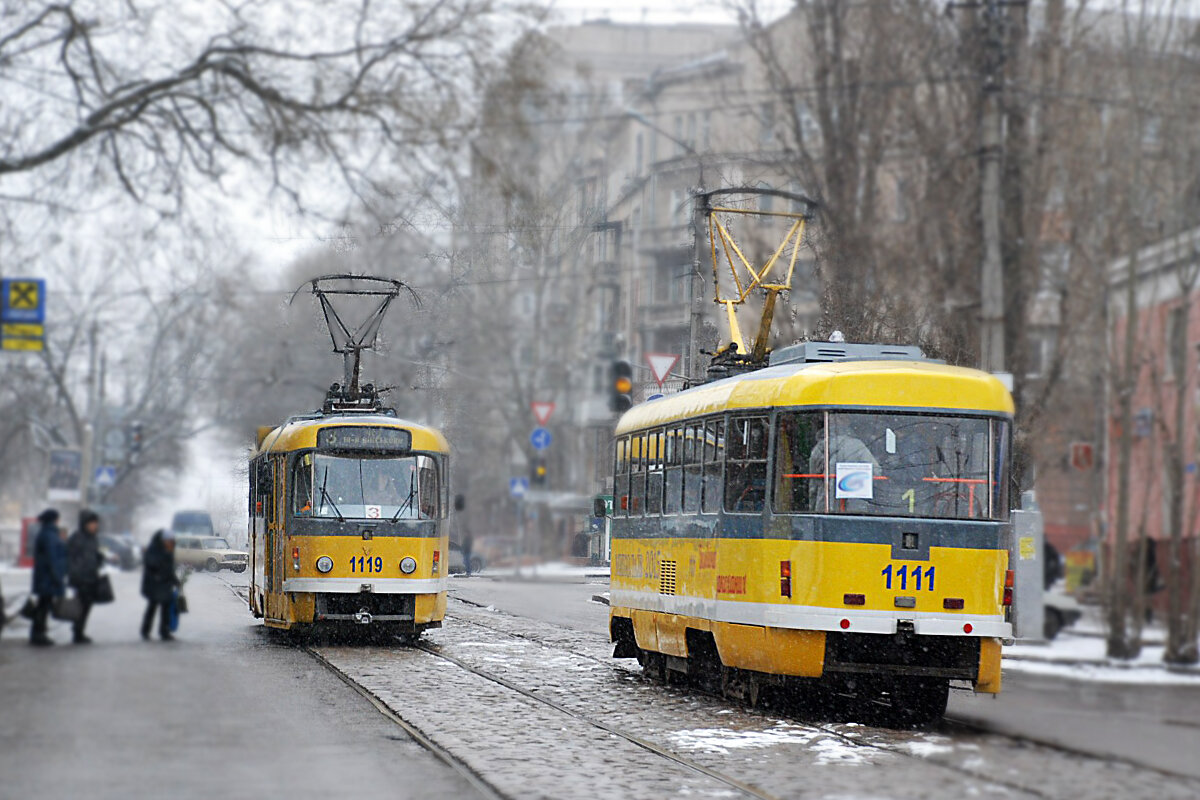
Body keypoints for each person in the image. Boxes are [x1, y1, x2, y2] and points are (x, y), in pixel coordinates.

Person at [30, 508, 67, 646]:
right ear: (54, 520)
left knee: (43, 605)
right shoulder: (50, 535)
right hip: (48, 578)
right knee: (43, 606)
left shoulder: (46, 533)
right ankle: (38, 634)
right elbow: (52, 559)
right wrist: (57, 578)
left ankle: (38, 633)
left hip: (44, 576)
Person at [67, 509, 104, 644]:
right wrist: (75, 573)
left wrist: (99, 559)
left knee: (87, 605)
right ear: (85, 524)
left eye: (96, 523)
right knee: (81, 605)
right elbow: (70, 557)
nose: (95, 526)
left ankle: (79, 630)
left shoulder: (93, 538)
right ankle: (77, 631)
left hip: (91, 576)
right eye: (92, 523)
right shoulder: (77, 538)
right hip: (81, 578)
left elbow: (92, 556)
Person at [141, 529, 182, 641]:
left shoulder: (169, 549)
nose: (170, 543)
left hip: (165, 584)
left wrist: (176, 581)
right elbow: (151, 564)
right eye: (168, 541)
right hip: (154, 584)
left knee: (166, 609)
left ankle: (164, 632)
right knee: (152, 608)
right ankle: (145, 631)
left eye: (171, 541)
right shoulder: (154, 549)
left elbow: (169, 569)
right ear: (163, 540)